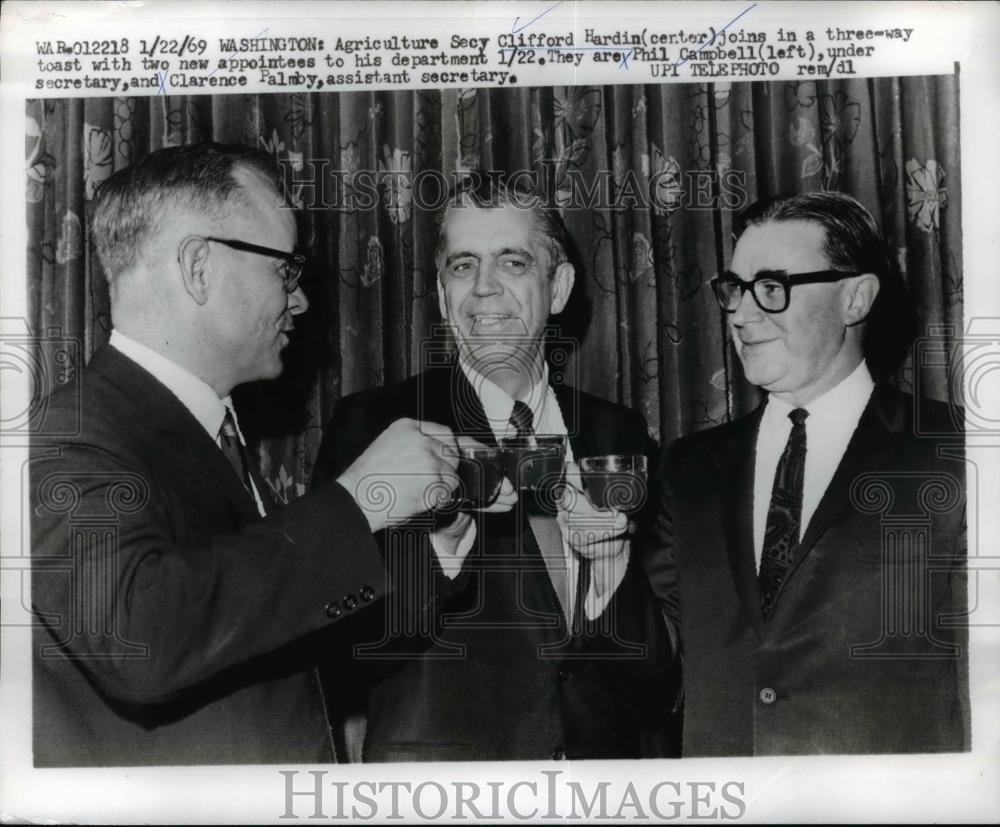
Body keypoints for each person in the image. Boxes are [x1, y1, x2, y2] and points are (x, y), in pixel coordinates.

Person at [30, 142, 465, 766]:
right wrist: (359, 500)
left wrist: (435, 557)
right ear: (199, 266)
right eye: (285, 270)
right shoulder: (62, 437)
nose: (302, 300)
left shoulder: (206, 429)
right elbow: (140, 640)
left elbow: (264, 643)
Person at [313, 175, 680, 761]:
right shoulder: (375, 424)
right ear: (440, 294)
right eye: (462, 266)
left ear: (557, 287)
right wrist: (439, 549)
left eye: (511, 262)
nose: (483, 289)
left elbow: (660, 679)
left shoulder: (618, 434)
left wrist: (610, 573)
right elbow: (331, 646)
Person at [645, 191, 968, 756]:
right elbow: (658, 655)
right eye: (735, 290)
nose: (740, 314)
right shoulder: (688, 467)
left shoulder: (958, 451)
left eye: (771, 288)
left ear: (855, 299)